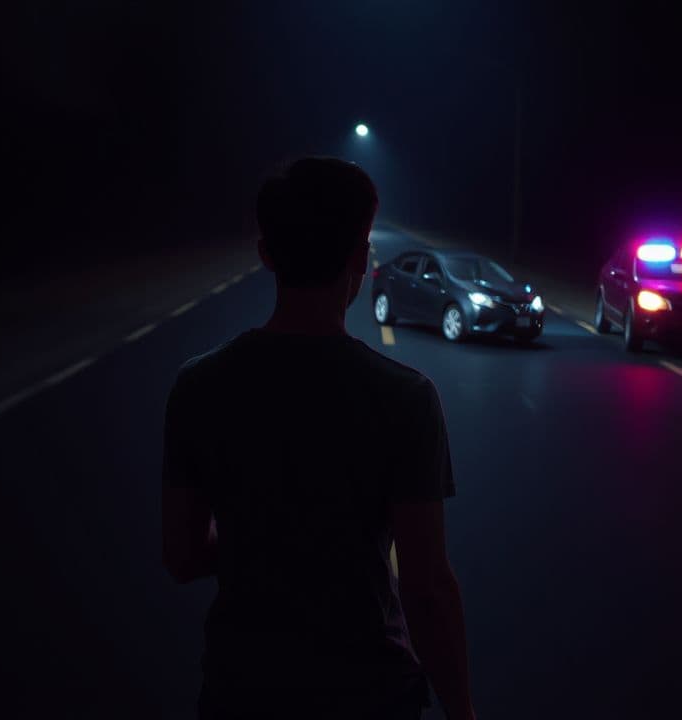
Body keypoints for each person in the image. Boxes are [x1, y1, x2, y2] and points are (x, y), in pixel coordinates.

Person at [162, 157, 476, 720]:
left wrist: (265, 534)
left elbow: (182, 556)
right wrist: (463, 712)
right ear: (360, 256)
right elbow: (426, 588)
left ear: (265, 254)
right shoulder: (406, 400)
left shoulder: (198, 386)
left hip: (240, 690)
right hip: (369, 695)